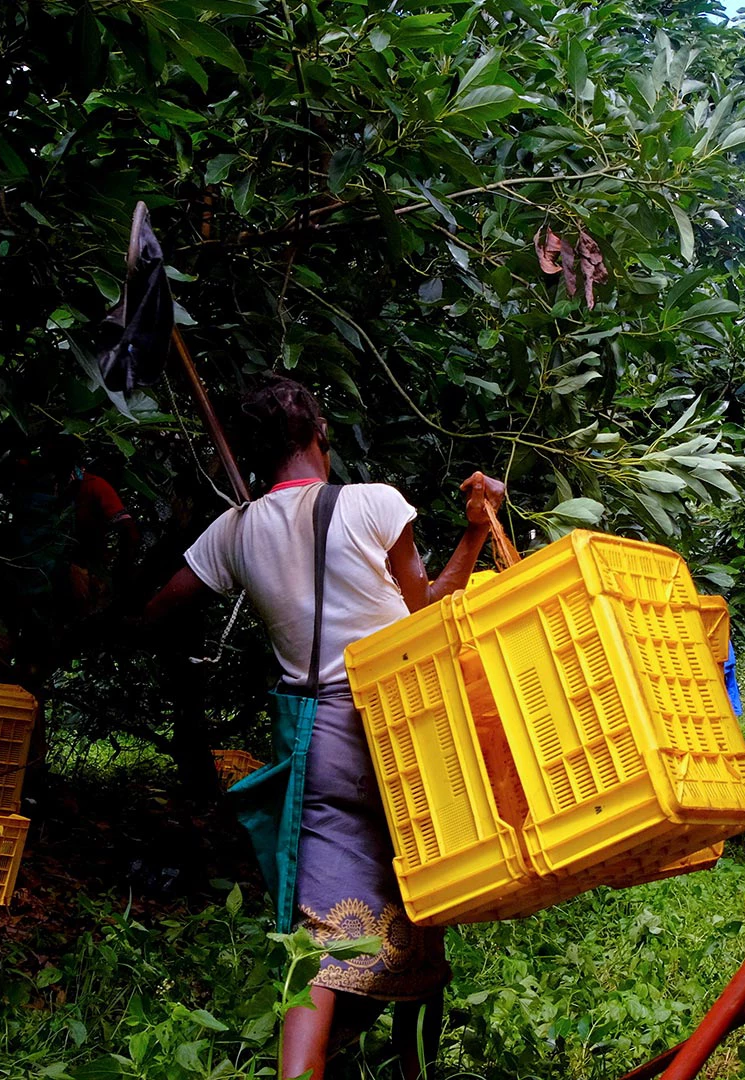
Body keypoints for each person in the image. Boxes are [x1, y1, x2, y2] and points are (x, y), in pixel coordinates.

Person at [142, 374, 504, 1080]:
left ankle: (299, 1070)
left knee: (316, 933)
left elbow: (158, 610)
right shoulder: (374, 504)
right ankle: (410, 1066)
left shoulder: (234, 531)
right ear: (319, 436)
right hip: (406, 734)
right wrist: (473, 529)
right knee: (423, 900)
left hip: (317, 740)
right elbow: (428, 609)